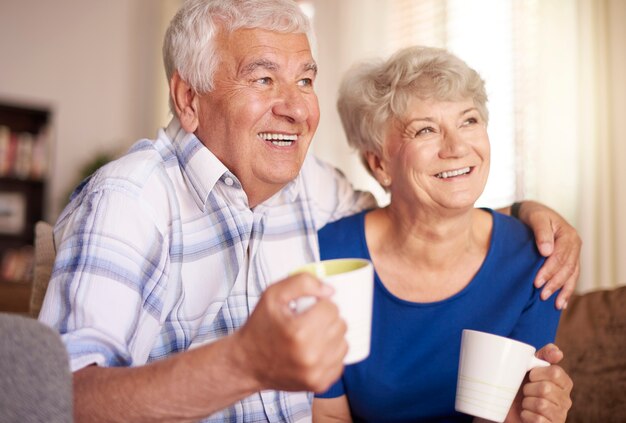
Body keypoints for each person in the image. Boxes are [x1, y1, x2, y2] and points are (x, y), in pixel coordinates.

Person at [38, 1, 579, 422]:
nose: (296, 106)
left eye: (304, 79)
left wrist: (527, 213)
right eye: (262, 78)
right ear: (188, 99)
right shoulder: (129, 202)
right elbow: (58, 402)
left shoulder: (307, 186)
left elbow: (417, 212)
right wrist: (240, 363)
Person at [312, 46, 573, 422]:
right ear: (379, 164)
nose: (456, 147)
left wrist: (525, 417)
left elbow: (501, 414)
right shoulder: (331, 258)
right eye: (425, 130)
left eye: (468, 121)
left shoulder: (533, 260)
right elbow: (330, 417)